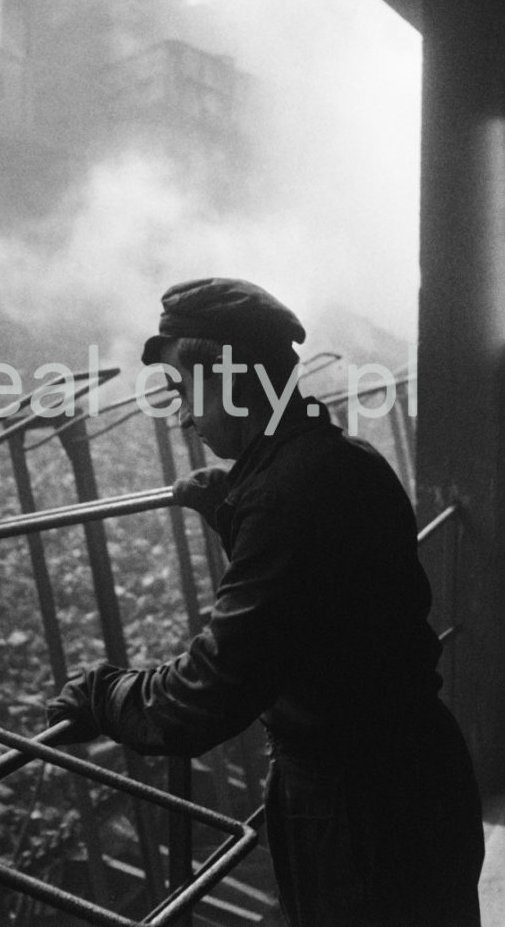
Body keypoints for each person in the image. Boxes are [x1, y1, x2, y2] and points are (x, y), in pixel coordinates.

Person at [47, 277, 484, 927]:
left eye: (183, 392)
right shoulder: (344, 462)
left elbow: (204, 696)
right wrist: (237, 501)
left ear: (231, 384)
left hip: (360, 815)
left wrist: (100, 695)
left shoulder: (284, 502)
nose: (182, 415)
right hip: (414, 779)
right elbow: (317, 599)